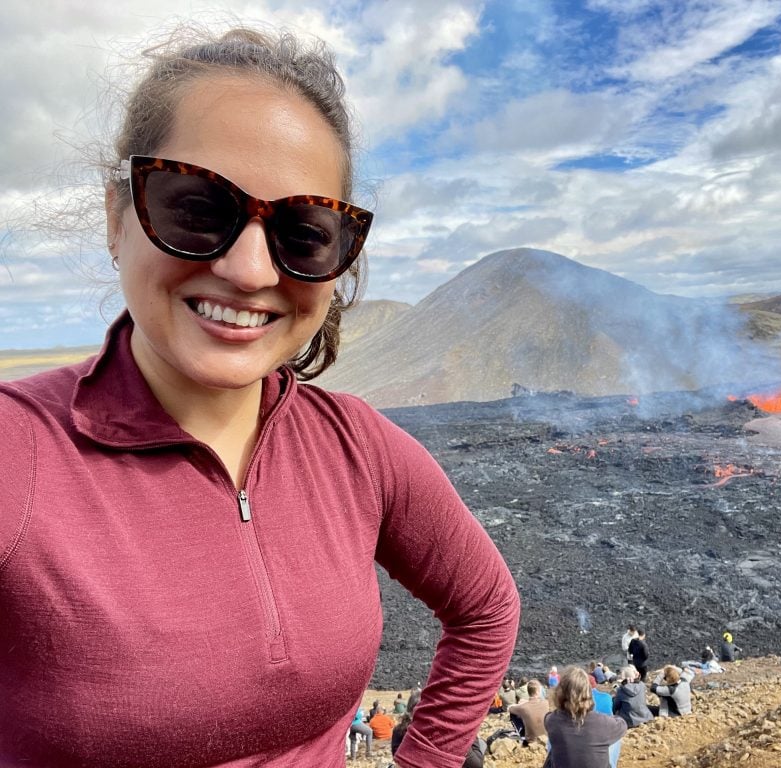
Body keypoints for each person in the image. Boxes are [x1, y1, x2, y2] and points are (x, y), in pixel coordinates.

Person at [0, 24, 521, 768]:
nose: (248, 271)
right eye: (196, 209)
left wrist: (428, 760)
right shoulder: (18, 451)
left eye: (303, 233)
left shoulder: (358, 448)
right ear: (119, 217)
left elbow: (486, 609)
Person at [545, 667, 628, 768]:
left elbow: (548, 718)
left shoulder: (552, 720)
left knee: (552, 741)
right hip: (604, 724)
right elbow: (623, 725)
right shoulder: (602, 722)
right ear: (588, 692)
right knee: (614, 738)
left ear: (560, 693)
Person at [394, 689, 487, 768]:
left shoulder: (399, 730)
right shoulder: (442, 730)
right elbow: (476, 765)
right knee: (482, 744)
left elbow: (397, 758)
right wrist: (471, 734)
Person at [507, 679, 549, 745]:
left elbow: (509, 708)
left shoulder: (524, 707)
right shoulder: (546, 703)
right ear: (537, 692)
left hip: (530, 741)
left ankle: (521, 733)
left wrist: (521, 704)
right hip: (545, 738)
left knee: (514, 714)